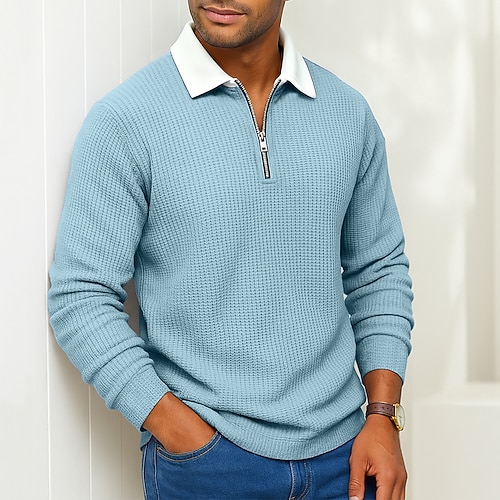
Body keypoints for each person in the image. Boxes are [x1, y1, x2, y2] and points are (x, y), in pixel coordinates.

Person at [48, 1, 414, 498]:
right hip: (209, 465)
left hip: (347, 459)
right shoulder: (126, 120)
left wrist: (383, 416)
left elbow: (379, 271)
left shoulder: (347, 114)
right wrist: (180, 432)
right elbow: (80, 295)